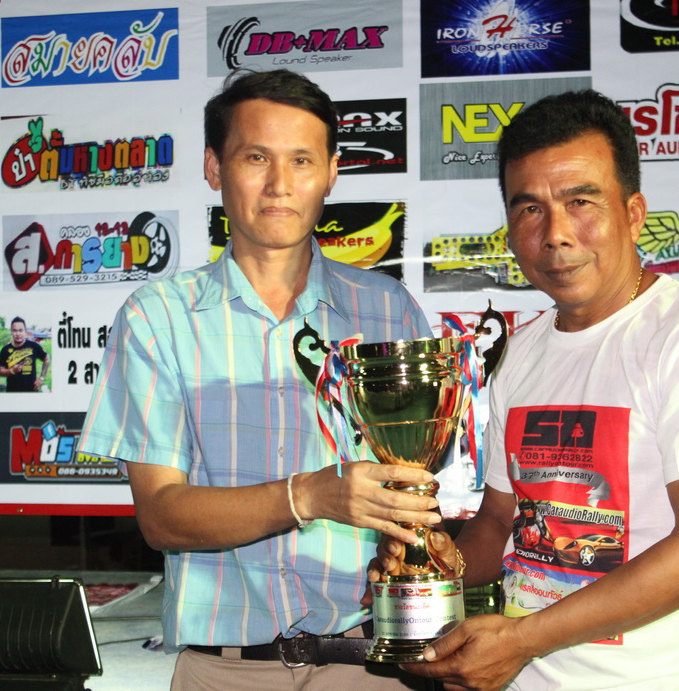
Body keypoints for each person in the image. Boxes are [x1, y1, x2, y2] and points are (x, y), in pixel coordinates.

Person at [368, 90, 679, 690]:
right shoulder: (522, 351)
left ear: (633, 213)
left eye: (581, 201)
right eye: (530, 209)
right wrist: (443, 564)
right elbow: (501, 519)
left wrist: (522, 640)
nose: (555, 234)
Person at [78, 69, 439, 690]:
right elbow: (161, 517)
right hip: (223, 669)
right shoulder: (157, 317)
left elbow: (422, 489)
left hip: (370, 662)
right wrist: (312, 495)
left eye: (302, 160)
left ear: (331, 172)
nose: (280, 184)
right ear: (214, 168)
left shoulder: (389, 311)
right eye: (255, 158)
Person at [0, 316, 49, 392]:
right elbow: (0, 371)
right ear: (11, 332)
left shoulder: (34, 346)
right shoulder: (5, 350)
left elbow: (47, 359)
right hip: (12, 392)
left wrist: (41, 379)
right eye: (15, 331)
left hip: (31, 392)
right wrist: (12, 371)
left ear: (25, 331)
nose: (18, 334)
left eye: (20, 330)